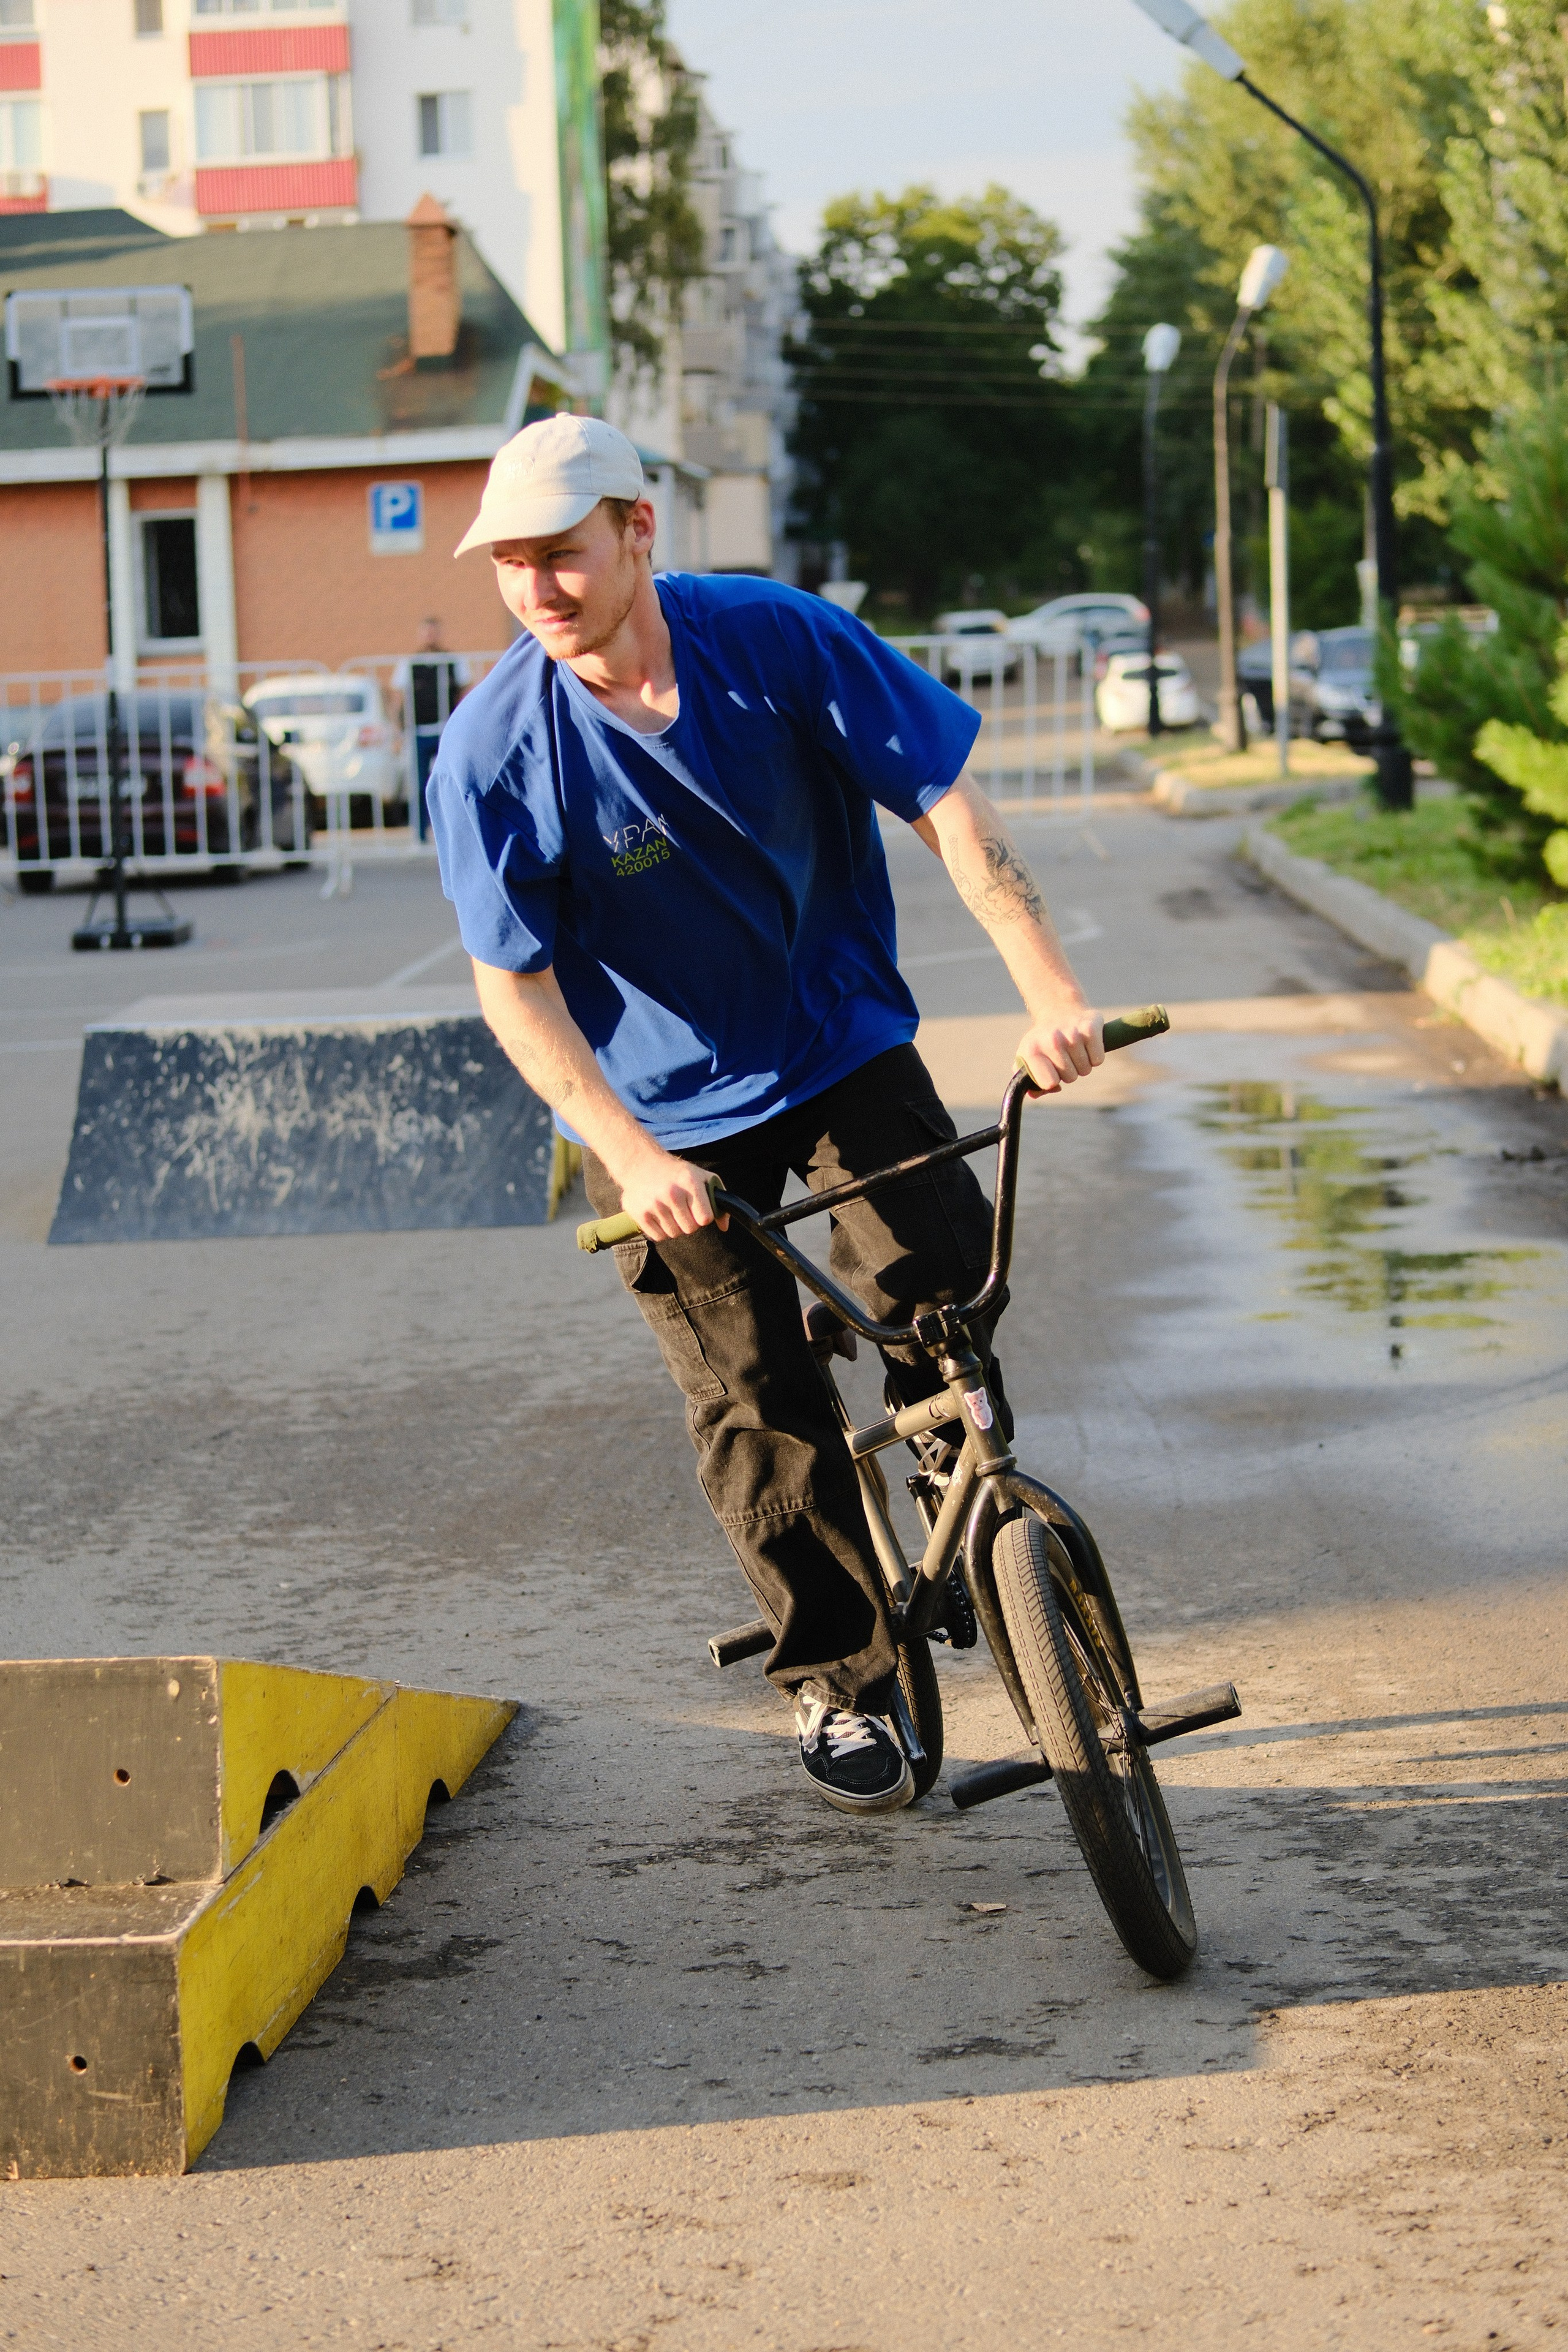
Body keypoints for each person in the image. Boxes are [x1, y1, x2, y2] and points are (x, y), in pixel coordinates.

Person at [427, 415, 1103, 1817]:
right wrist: (625, 1155)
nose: (538, 587)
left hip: (839, 1044)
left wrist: (1048, 993)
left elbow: (948, 811)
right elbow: (515, 990)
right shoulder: (494, 751)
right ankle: (845, 1684)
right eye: (510, 565)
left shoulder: (775, 639)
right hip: (663, 1115)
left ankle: (970, 1499)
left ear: (635, 530)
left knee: (934, 1297)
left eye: (561, 553)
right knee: (751, 1396)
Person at [395, 617, 470, 840]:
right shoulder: (409, 664)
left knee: (450, 782)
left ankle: (452, 832)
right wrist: (399, 730)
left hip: (446, 731)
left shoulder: (453, 663)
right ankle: (420, 834)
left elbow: (464, 695)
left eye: (433, 632)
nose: (430, 637)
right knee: (419, 785)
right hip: (419, 731)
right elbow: (400, 699)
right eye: (426, 632)